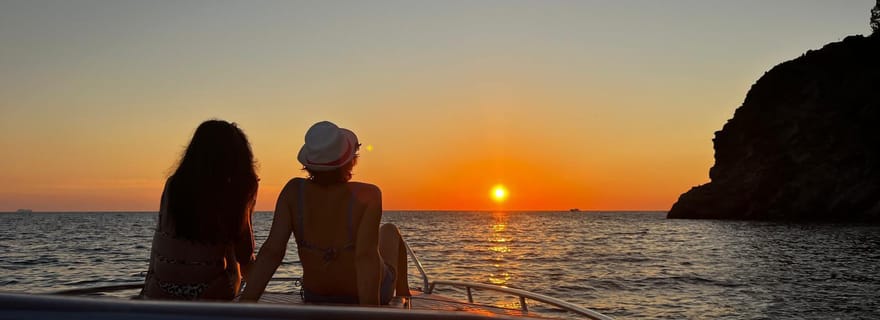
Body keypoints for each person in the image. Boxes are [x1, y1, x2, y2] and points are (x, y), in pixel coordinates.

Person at [241, 121, 410, 305]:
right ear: (350, 160)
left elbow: (272, 252)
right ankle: (404, 293)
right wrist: (370, 312)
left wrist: (246, 303)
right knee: (390, 230)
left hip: (316, 294)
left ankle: (403, 292)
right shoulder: (369, 195)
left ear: (308, 164)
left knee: (383, 234)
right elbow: (365, 257)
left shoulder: (292, 192)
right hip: (362, 294)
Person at [141, 120, 259, 300]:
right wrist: (249, 201)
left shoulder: (173, 185)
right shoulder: (234, 190)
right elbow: (245, 254)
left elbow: (159, 240)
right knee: (233, 252)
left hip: (159, 290)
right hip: (210, 293)